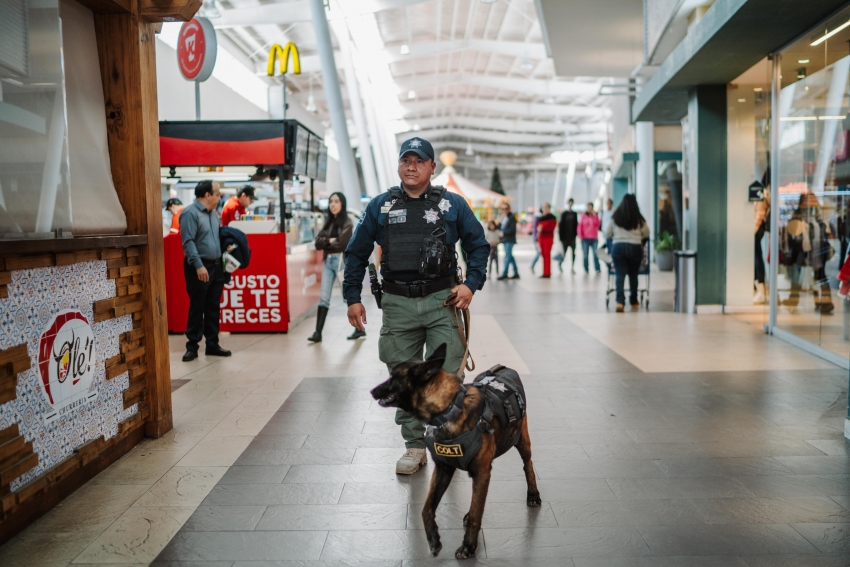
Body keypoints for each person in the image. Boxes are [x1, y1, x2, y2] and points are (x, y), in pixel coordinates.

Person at [343, 137, 489, 475]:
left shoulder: (453, 206)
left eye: (419, 160)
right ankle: (413, 447)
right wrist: (352, 297)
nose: (412, 165)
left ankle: (447, 439)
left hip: (443, 302)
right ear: (398, 165)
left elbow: (478, 246)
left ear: (431, 167)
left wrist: (470, 285)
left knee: (447, 378)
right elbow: (356, 252)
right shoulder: (380, 206)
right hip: (397, 303)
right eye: (406, 160)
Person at [179, 180, 231, 361]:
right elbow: (188, 242)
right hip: (199, 266)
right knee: (197, 306)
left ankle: (212, 344)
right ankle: (192, 346)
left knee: (213, 307)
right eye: (217, 194)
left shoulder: (213, 215)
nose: (219, 197)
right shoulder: (189, 214)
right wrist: (199, 265)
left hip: (216, 266)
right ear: (207, 195)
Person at [308, 192, 364, 342]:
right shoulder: (328, 222)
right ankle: (318, 333)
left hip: (341, 262)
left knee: (347, 297)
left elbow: (342, 243)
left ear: (342, 204)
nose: (333, 204)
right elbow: (317, 243)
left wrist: (327, 241)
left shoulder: (347, 221)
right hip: (328, 261)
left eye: (336, 201)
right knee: (324, 297)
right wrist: (330, 241)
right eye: (331, 201)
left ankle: (359, 329)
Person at [605, 194, 650, 312]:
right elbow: (646, 234)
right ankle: (633, 300)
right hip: (635, 248)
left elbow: (607, 233)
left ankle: (620, 302)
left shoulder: (615, 217)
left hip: (618, 248)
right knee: (633, 275)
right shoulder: (639, 218)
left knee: (619, 274)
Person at [497, 202, 519, 280]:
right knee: (510, 256)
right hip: (504, 240)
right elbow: (499, 227)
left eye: (506, 208)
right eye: (503, 209)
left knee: (507, 256)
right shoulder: (504, 218)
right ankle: (516, 272)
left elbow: (512, 229)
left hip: (509, 239)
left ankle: (505, 273)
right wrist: (500, 220)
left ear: (509, 209)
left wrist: (504, 233)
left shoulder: (512, 217)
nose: (504, 210)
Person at [578, 202, 602, 273]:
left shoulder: (595, 216)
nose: (589, 209)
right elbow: (580, 226)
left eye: (591, 207)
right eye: (588, 207)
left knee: (595, 254)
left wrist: (595, 216)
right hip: (585, 238)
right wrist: (580, 235)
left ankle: (597, 268)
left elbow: (598, 224)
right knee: (585, 255)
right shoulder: (583, 216)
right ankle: (586, 268)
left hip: (594, 238)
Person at [536, 203, 557, 278]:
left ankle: (547, 273)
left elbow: (551, 228)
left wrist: (542, 228)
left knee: (547, 254)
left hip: (548, 238)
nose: (544, 209)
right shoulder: (541, 218)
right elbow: (537, 228)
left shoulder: (552, 217)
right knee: (543, 255)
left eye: (546, 207)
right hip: (541, 238)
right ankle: (544, 272)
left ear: (549, 208)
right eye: (543, 207)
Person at [558, 198, 578, 274]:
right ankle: (560, 264)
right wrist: (560, 237)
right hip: (565, 238)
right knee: (564, 253)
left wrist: (576, 234)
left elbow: (576, 225)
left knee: (573, 253)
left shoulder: (574, 214)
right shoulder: (564, 214)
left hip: (572, 237)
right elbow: (561, 226)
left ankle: (572, 267)